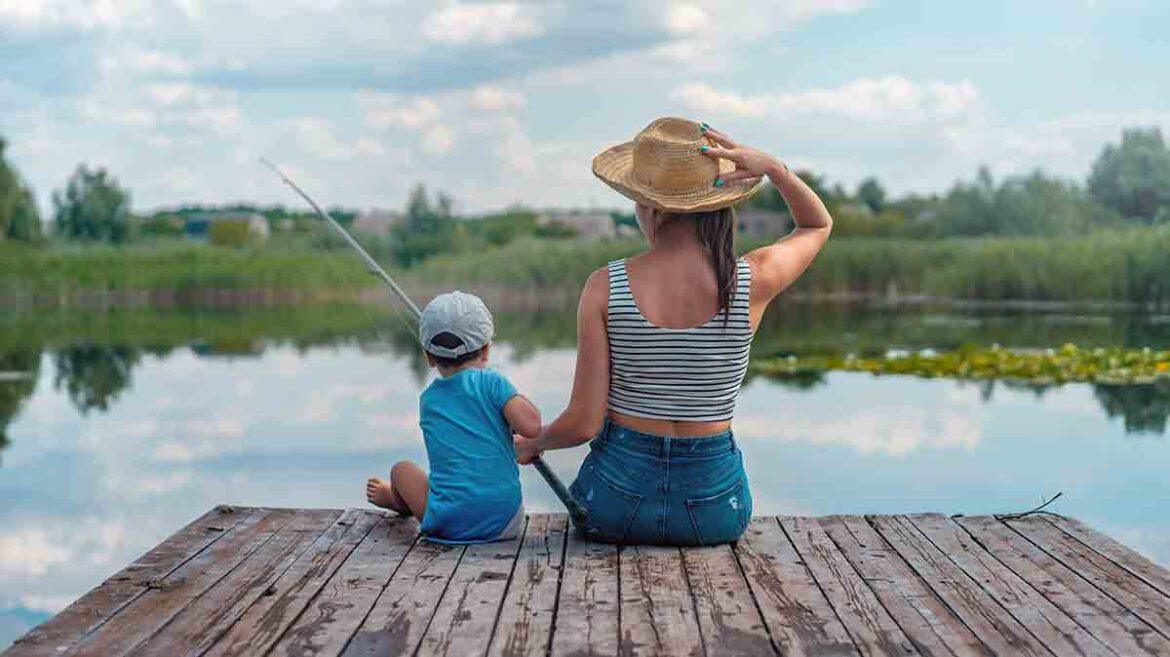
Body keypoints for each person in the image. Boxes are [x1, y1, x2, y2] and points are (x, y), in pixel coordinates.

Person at [514, 117, 833, 546]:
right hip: (717, 510)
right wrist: (774, 169)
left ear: (648, 206)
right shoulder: (752, 279)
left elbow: (583, 424)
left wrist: (535, 442)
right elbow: (816, 225)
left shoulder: (605, 286)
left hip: (614, 507)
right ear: (717, 204)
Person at [366, 291, 541, 543]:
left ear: (428, 356)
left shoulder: (428, 400)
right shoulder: (493, 383)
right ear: (486, 350)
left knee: (401, 470)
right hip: (505, 523)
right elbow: (532, 426)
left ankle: (397, 500)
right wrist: (511, 398)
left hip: (447, 524)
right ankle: (399, 501)